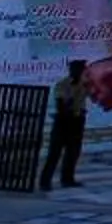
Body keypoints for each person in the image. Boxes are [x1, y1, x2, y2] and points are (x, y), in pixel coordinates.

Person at [40, 58, 88, 190]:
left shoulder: (84, 85)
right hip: (63, 120)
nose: (80, 72)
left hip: (77, 121)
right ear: (72, 70)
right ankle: (45, 181)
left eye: (82, 69)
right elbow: (61, 104)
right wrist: (70, 106)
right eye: (78, 69)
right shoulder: (63, 84)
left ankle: (67, 178)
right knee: (54, 152)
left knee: (73, 152)